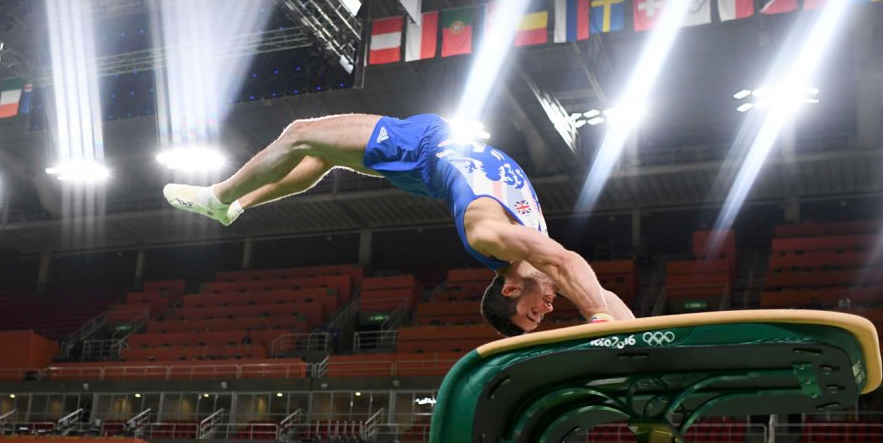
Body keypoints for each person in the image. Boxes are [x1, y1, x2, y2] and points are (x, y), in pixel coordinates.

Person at [163, 114, 635, 336]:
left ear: (511, 291)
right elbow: (600, 294)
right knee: (321, 154)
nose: (549, 310)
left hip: (423, 150)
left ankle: (217, 196)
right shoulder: (541, 264)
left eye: (533, 315)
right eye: (543, 318)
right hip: (433, 150)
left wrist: (596, 321)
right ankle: (235, 205)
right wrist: (642, 335)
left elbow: (575, 271)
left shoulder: (492, 239)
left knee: (300, 133)